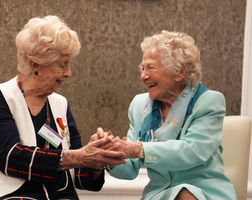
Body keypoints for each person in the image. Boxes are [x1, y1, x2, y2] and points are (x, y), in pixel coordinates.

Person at [0, 15, 126, 200]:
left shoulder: (60, 103)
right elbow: (10, 158)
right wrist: (80, 156)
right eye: (63, 64)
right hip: (5, 195)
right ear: (35, 64)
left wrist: (97, 158)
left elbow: (80, 178)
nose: (69, 73)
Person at [94, 30, 237, 200]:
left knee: (185, 195)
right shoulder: (139, 105)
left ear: (179, 72)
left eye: (150, 68)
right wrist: (109, 153)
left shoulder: (208, 101)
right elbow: (130, 168)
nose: (143, 76)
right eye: (142, 68)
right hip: (159, 194)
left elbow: (192, 152)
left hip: (203, 192)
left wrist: (137, 149)